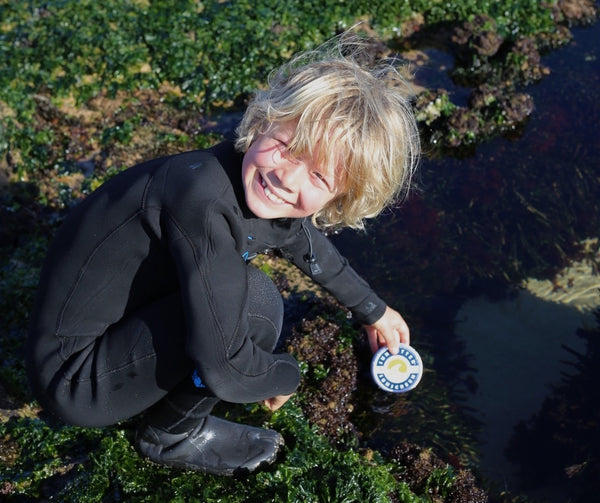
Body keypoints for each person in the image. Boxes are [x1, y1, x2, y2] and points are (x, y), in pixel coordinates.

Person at [26, 36, 420, 476]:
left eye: (318, 174)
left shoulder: (240, 179)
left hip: (115, 319)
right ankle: (170, 438)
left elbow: (298, 239)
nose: (286, 176)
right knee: (256, 309)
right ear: (267, 119)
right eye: (288, 145)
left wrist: (372, 309)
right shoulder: (201, 199)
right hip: (74, 379)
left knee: (252, 297)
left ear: (340, 196)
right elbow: (225, 366)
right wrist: (284, 375)